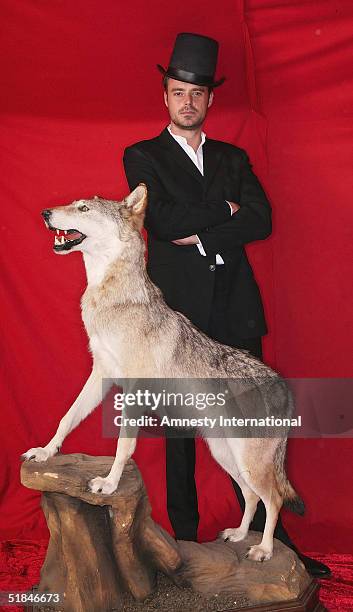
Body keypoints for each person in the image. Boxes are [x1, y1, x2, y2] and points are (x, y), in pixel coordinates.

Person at [123, 32, 330, 577]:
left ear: (209, 99)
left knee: (255, 426)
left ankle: (272, 540)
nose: (187, 100)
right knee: (181, 436)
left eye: (196, 92)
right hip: (176, 322)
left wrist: (207, 232)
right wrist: (223, 209)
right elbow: (160, 222)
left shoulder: (233, 157)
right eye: (177, 91)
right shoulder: (142, 155)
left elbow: (261, 220)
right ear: (165, 97)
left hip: (236, 310)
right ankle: (184, 546)